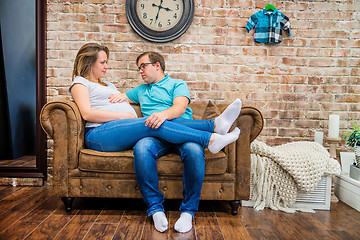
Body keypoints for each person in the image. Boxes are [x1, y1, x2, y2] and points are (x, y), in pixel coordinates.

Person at [69, 44, 242, 233]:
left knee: (187, 146)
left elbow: (179, 109)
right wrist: (125, 112)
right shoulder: (127, 88)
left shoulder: (176, 84)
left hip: (171, 131)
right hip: (129, 133)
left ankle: (188, 212)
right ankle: (211, 131)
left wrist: (158, 115)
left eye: (143, 66)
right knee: (143, 144)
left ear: (157, 65)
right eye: (103, 62)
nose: (140, 71)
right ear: (89, 63)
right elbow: (91, 110)